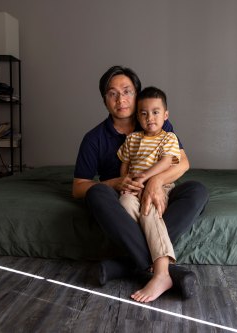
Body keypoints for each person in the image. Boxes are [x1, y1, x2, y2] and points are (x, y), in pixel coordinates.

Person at [73, 65, 209, 302]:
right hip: (123, 199)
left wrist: (155, 181)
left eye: (127, 91)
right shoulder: (94, 138)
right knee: (96, 193)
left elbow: (182, 163)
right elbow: (78, 187)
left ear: (137, 94)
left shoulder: (152, 120)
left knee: (197, 190)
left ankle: (126, 265)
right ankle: (164, 272)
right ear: (104, 99)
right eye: (112, 93)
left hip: (159, 193)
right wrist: (115, 182)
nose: (121, 99)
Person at [117, 86, 180, 302]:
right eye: (143, 113)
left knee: (148, 209)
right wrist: (125, 183)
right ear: (137, 116)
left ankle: (162, 273)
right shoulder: (132, 139)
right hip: (134, 187)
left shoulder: (168, 137)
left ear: (165, 115)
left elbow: (166, 162)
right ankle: (150, 249)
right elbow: (124, 164)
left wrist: (145, 177)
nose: (149, 118)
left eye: (155, 112)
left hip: (159, 186)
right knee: (125, 202)